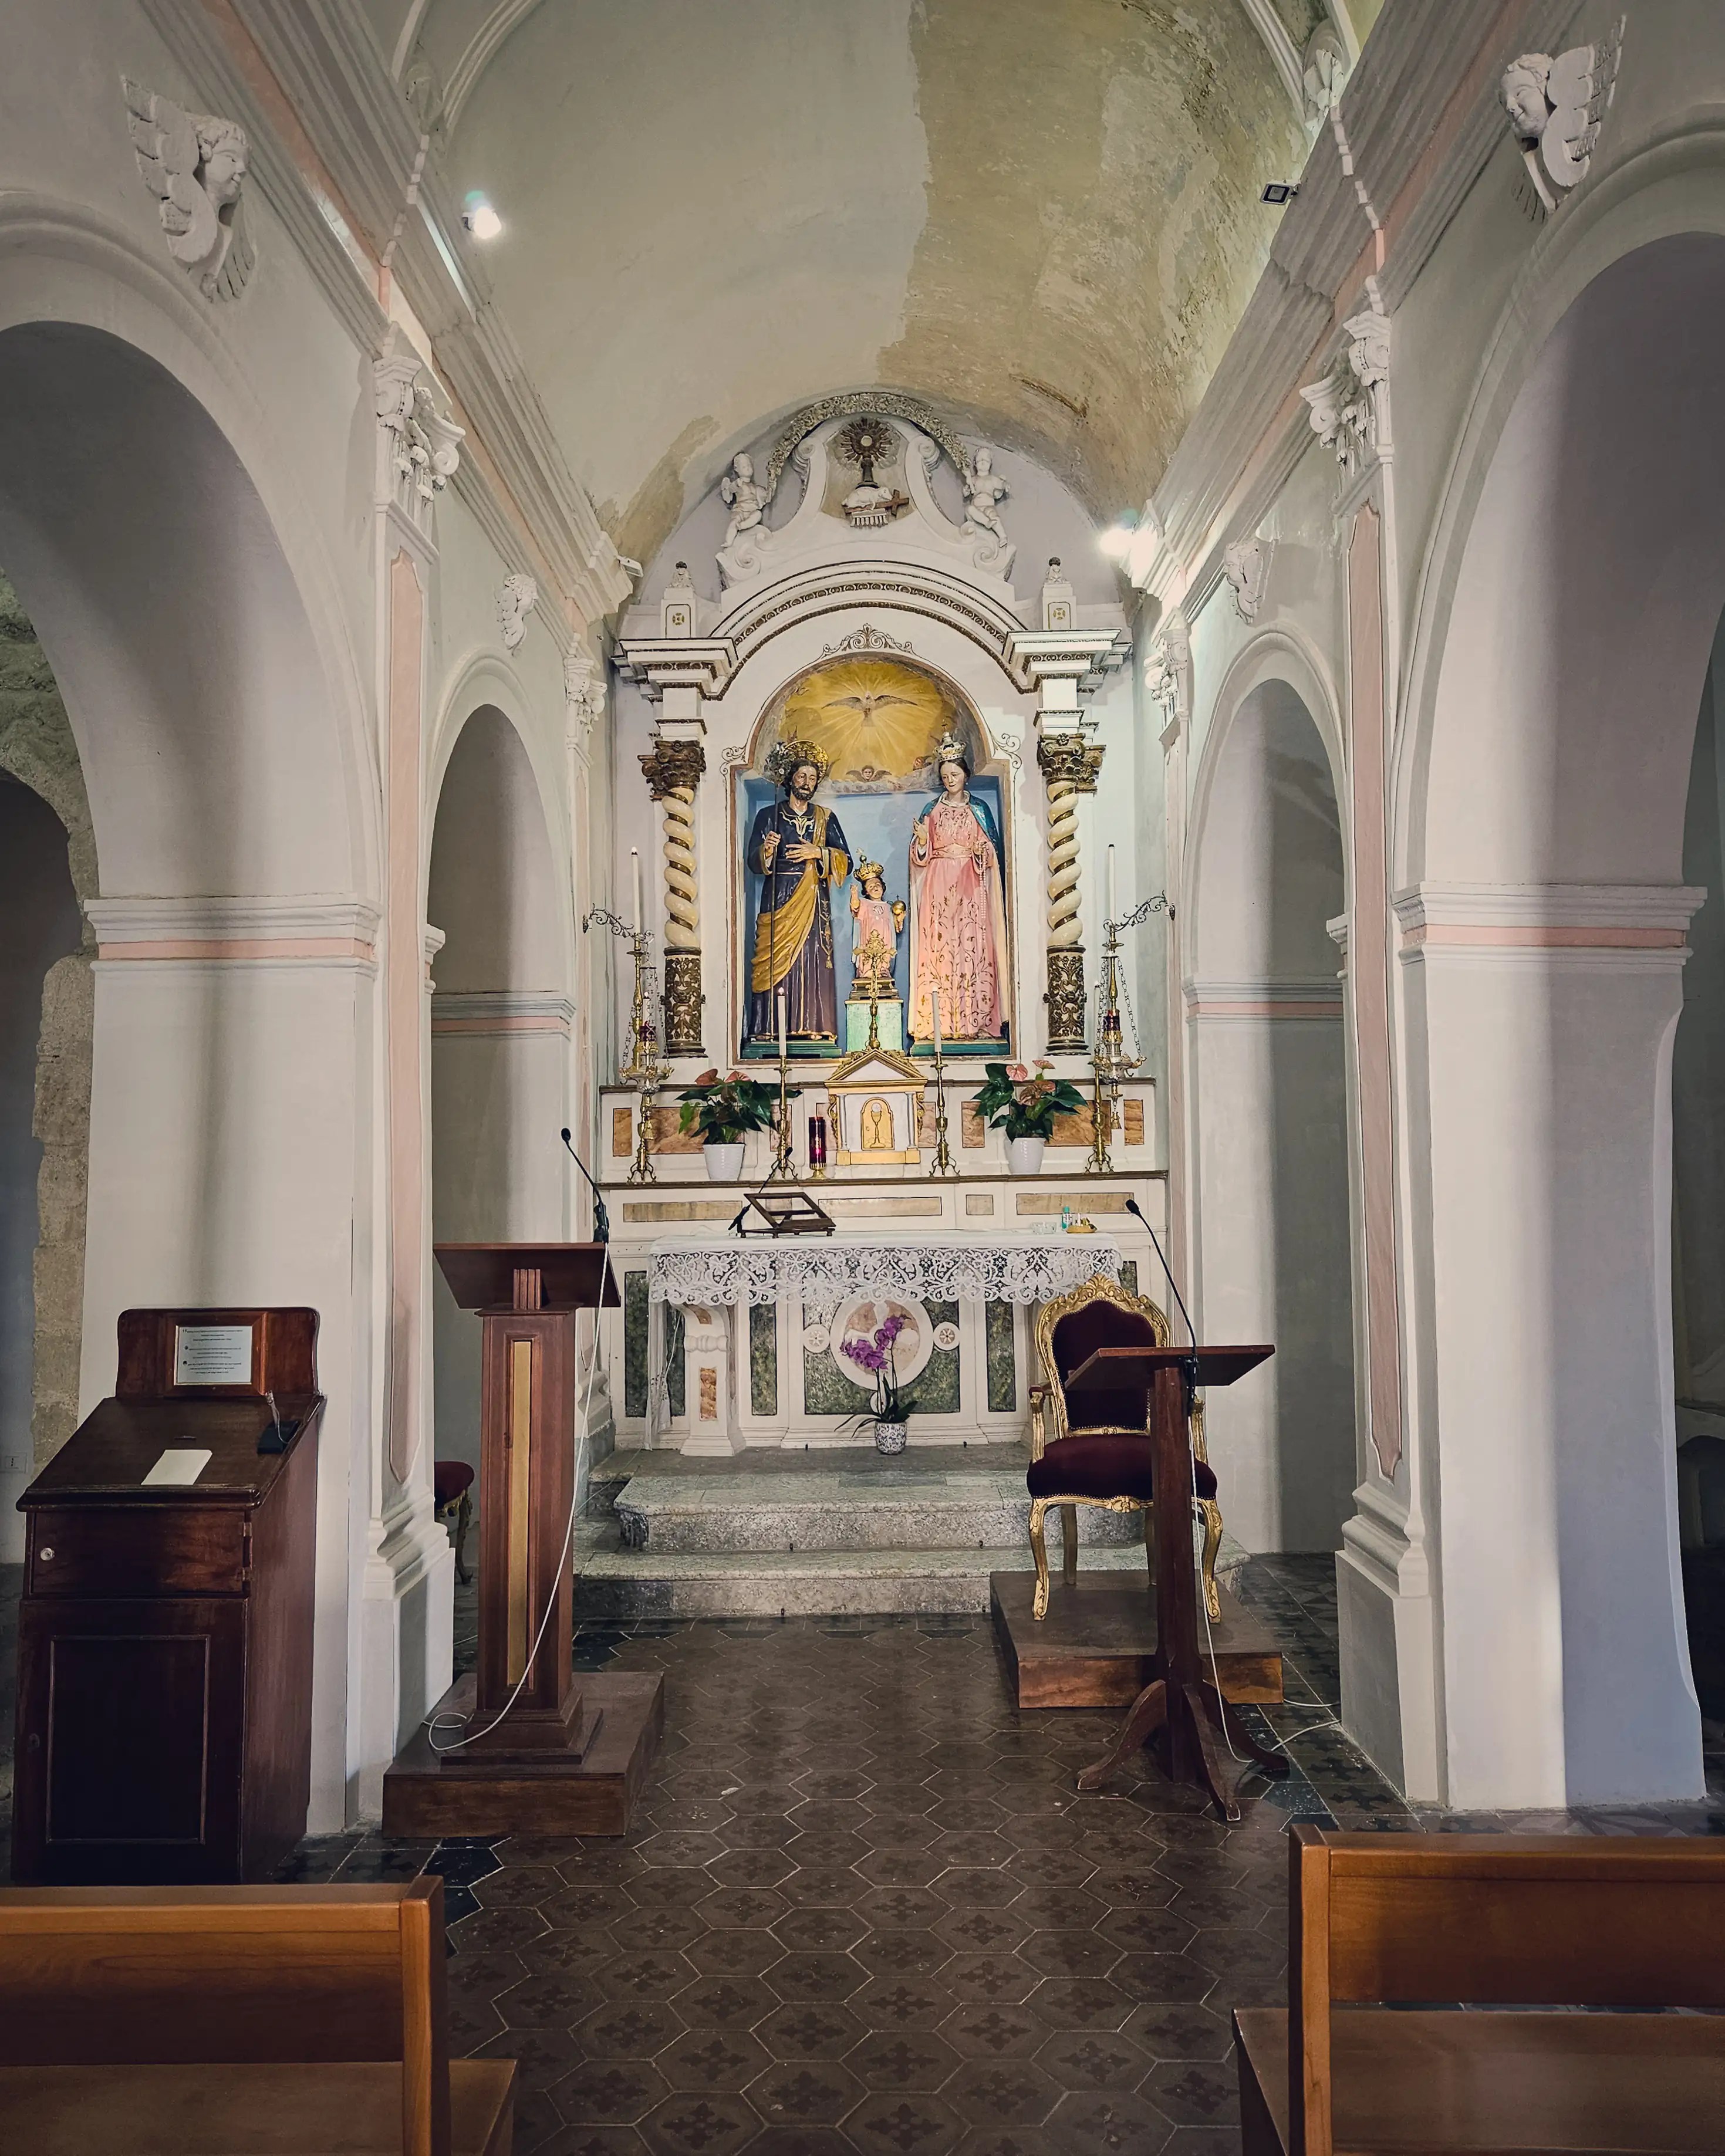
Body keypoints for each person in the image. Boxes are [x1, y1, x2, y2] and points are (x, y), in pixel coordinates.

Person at [745, 742, 850, 1046]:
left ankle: (812, 1026)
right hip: (778, 897)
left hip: (813, 900)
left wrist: (817, 851)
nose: (807, 782)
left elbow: (845, 859)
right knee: (773, 957)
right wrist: (766, 850)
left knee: (812, 959)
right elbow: (753, 861)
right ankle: (768, 1028)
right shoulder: (769, 815)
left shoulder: (826, 818)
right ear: (791, 779)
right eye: (802, 776)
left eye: (812, 777)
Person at [907, 738, 1009, 1042]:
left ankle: (976, 1021)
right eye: (945, 776)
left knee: (973, 947)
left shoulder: (979, 809)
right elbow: (919, 856)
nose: (950, 780)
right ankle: (937, 1025)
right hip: (938, 884)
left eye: (955, 774)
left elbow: (993, 854)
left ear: (965, 775)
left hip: (970, 884)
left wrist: (982, 851)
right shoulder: (932, 809)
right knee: (938, 948)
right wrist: (924, 841)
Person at [849, 860, 906, 992]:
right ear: (866, 892)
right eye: (871, 887)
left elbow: (896, 928)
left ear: (883, 887)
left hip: (885, 940)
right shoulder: (864, 904)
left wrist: (900, 919)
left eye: (878, 885)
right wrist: (854, 895)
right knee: (868, 956)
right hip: (868, 940)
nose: (875, 888)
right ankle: (866, 972)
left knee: (884, 956)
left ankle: (883, 971)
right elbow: (855, 906)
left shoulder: (889, 907)